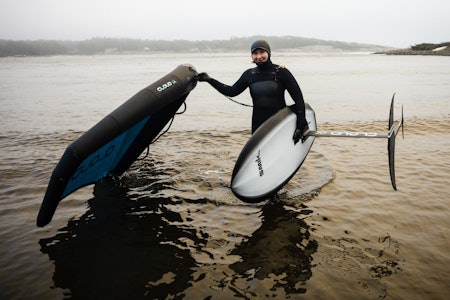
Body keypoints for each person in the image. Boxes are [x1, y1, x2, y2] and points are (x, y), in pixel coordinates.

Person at [197, 40, 309, 144]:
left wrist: (300, 124)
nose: (259, 56)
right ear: (252, 55)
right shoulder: (249, 74)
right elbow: (231, 91)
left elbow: (298, 98)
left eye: (262, 52)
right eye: (255, 53)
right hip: (258, 124)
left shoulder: (281, 72)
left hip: (279, 121)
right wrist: (210, 80)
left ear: (268, 53)